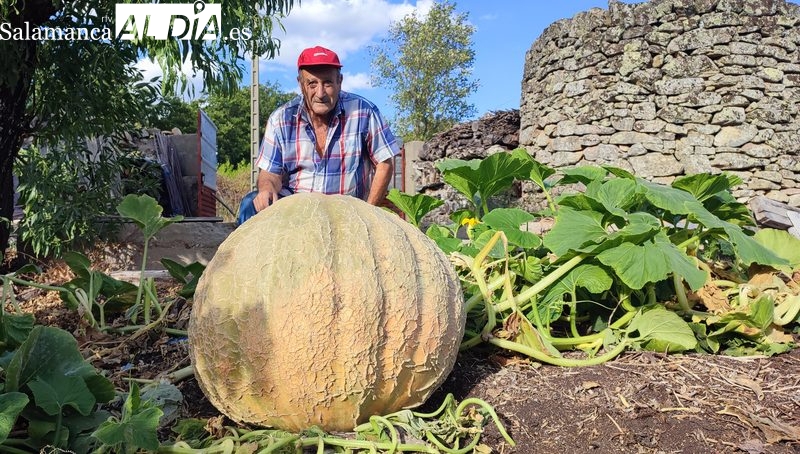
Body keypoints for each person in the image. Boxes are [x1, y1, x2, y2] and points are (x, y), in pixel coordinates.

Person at [237, 45, 401, 225]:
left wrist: (369, 213)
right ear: (301, 84)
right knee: (250, 204)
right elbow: (270, 174)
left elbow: (384, 164)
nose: (320, 93)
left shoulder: (364, 112)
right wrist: (266, 189)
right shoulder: (281, 119)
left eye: (328, 83)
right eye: (312, 83)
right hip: (296, 208)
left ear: (340, 81)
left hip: (347, 209)